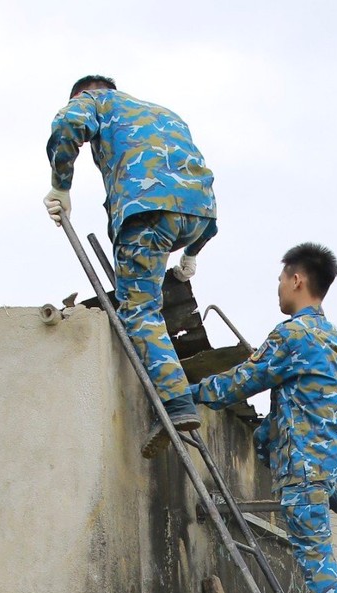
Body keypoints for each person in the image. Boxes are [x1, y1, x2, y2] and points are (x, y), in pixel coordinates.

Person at [190, 243, 337, 593]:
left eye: (282, 279)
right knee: (267, 432)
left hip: (306, 462)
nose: (279, 289)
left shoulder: (292, 335)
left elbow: (243, 381)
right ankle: (332, 486)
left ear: (297, 280)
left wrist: (187, 394)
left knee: (312, 544)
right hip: (332, 449)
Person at [44, 76, 217, 455]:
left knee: (139, 309)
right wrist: (190, 255)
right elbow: (201, 180)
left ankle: (176, 405)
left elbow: (66, 125)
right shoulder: (166, 115)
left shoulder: (94, 101)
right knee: (147, 292)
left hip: (145, 210)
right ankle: (175, 394)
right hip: (198, 215)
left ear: (85, 92)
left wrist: (61, 186)